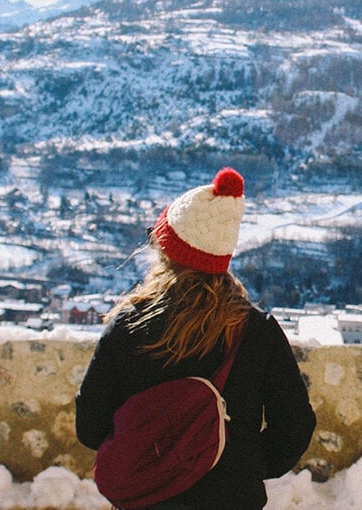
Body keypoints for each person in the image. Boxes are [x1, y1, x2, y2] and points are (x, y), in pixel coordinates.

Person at [76, 167, 316, 509]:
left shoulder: (129, 326)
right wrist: (244, 466)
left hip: (147, 498)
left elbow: (90, 425)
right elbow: (295, 426)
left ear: (167, 251)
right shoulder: (257, 331)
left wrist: (147, 455)